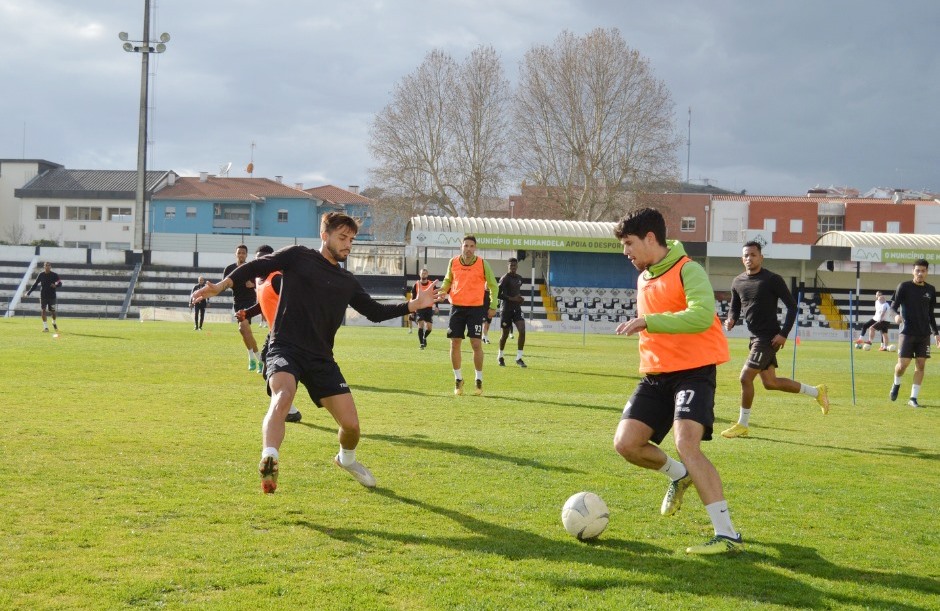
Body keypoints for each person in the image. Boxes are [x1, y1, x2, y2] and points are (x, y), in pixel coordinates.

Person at [194, 212, 436, 493]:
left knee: (352, 427)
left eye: (352, 239)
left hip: (321, 358)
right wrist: (222, 286)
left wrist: (413, 305)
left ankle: (346, 459)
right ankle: (269, 456)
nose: (348, 244)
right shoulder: (298, 256)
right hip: (284, 346)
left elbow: (375, 312)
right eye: (342, 237)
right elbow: (255, 267)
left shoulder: (346, 280)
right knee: (283, 395)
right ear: (325, 235)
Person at [611, 207, 742, 555]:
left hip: (694, 372)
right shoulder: (643, 277)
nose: (626, 252)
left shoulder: (689, 270)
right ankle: (678, 475)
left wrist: (648, 321)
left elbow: (701, 315)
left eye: (629, 243)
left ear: (651, 238)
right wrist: (645, 323)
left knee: (687, 443)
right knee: (626, 444)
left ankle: (727, 535)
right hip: (656, 376)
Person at [721, 241, 829, 438]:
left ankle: (742, 424)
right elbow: (735, 306)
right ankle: (817, 392)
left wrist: (783, 334)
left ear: (761, 257)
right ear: (741, 258)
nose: (749, 258)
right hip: (755, 338)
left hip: (768, 339)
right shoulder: (737, 282)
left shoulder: (772, 279)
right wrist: (731, 319)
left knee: (745, 378)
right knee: (771, 383)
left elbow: (792, 307)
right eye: (746, 255)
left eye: (753, 255)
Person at [235, 245, 303, 423]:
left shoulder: (277, 278)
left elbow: (295, 301)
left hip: (287, 333)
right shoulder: (259, 279)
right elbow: (262, 303)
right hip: (275, 332)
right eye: (258, 258)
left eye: (264, 258)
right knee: (269, 370)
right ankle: (290, 410)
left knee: (272, 371)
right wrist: (247, 313)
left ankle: (288, 408)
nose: (261, 261)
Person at [437, 235, 499, 396]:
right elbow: (448, 280)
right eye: (466, 246)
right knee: (454, 343)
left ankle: (478, 379)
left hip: (476, 309)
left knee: (476, 344)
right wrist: (443, 292)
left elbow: (493, 286)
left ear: (475, 248)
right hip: (457, 307)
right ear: (461, 247)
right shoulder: (453, 262)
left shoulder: (483, 264)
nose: (469, 249)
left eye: (472, 246)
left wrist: (493, 305)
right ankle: (458, 379)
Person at [888, 259, 939, 408]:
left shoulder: (931, 290)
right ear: (913, 271)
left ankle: (913, 398)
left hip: (924, 334)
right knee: (902, 365)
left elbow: (930, 314)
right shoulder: (904, 287)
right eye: (918, 270)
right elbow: (892, 308)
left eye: (923, 271)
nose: (920, 273)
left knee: (921, 365)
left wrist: (936, 333)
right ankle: (896, 383)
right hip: (907, 332)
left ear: (927, 272)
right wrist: (896, 316)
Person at [223, 244, 262, 372]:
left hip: (249, 301)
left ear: (246, 255)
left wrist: (253, 285)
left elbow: (261, 283)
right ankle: (258, 358)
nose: (241, 255)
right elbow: (225, 284)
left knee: (243, 327)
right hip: (237, 302)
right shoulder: (229, 269)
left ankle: (252, 357)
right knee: (245, 332)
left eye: (243, 253)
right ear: (236, 254)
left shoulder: (251, 269)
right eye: (239, 253)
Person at [496, 257, 527, 367]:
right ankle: (500, 356)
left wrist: (520, 299)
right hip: (506, 310)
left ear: (517, 266)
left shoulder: (519, 278)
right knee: (504, 335)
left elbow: (517, 292)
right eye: (511, 266)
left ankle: (519, 358)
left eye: (514, 266)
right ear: (508, 266)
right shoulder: (505, 278)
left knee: (522, 331)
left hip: (516, 309)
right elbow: (498, 294)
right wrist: (512, 299)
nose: (513, 267)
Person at [26, 261, 62, 332]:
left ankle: (53, 322)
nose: (47, 267)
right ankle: (46, 327)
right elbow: (35, 284)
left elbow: (60, 283)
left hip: (52, 296)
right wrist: (29, 292)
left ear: (50, 267)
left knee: (53, 312)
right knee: (43, 310)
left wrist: (56, 285)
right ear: (44, 267)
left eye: (49, 265)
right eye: (46, 265)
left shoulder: (54, 275)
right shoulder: (41, 275)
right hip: (43, 296)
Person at [412, 268, 439, 349]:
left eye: (425, 273)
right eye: (422, 273)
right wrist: (412, 310)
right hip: (420, 307)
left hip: (429, 307)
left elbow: (436, 295)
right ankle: (421, 344)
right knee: (421, 324)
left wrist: (436, 306)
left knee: (429, 328)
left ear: (427, 274)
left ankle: (424, 337)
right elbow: (413, 298)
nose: (423, 274)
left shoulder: (431, 284)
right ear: (419, 274)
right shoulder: (416, 284)